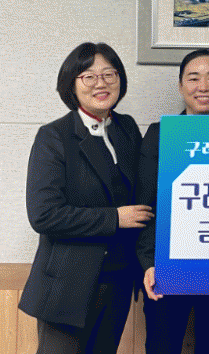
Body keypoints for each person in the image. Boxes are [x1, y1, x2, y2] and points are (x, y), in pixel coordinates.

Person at [19, 42, 154, 354]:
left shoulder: (127, 128)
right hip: (68, 285)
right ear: (72, 83)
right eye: (89, 76)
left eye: (109, 74)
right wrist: (115, 218)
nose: (100, 83)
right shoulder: (54, 136)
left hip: (118, 281)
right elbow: (44, 215)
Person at [136, 49, 209, 353]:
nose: (203, 86)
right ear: (181, 87)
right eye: (193, 78)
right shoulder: (160, 134)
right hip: (167, 266)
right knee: (161, 346)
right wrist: (148, 262)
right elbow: (146, 204)